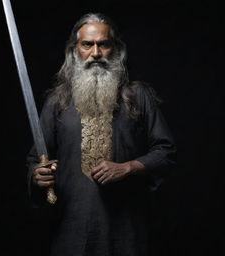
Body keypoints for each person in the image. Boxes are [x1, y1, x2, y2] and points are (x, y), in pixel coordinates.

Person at [26, 13, 177, 256]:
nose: (95, 53)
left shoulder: (138, 96)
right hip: (71, 232)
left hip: (127, 232)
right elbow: (36, 159)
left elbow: (166, 152)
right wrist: (37, 176)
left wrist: (128, 167)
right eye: (87, 44)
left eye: (103, 44)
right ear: (75, 51)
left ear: (115, 49)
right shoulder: (57, 101)